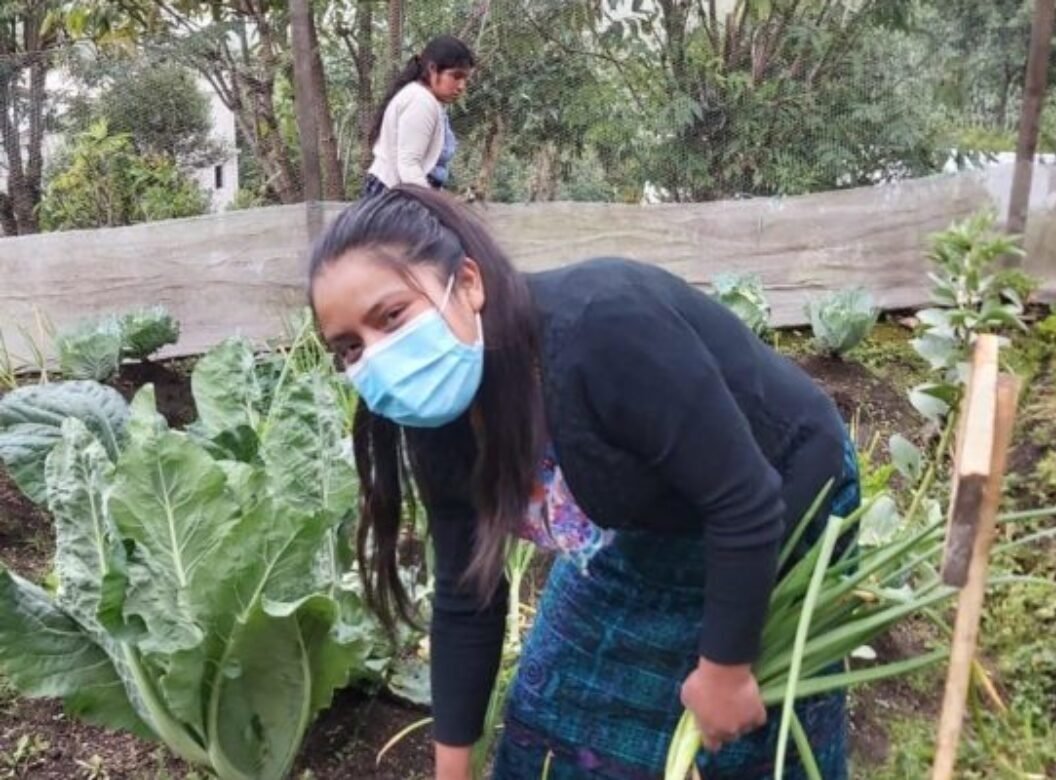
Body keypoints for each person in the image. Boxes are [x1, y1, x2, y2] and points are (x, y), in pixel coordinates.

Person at [308, 186, 860, 780]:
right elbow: (467, 593)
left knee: (746, 739)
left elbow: (745, 500)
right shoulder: (436, 418)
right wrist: (452, 770)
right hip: (639, 522)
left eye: (391, 316)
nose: (378, 356)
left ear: (468, 283)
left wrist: (726, 668)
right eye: (349, 347)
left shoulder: (604, 329)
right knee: (549, 723)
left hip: (779, 501)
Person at [365, 35, 475, 198]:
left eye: (465, 79)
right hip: (392, 196)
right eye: (456, 76)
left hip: (397, 192)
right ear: (432, 69)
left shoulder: (424, 98)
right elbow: (409, 166)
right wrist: (435, 206)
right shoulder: (421, 101)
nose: (461, 86)